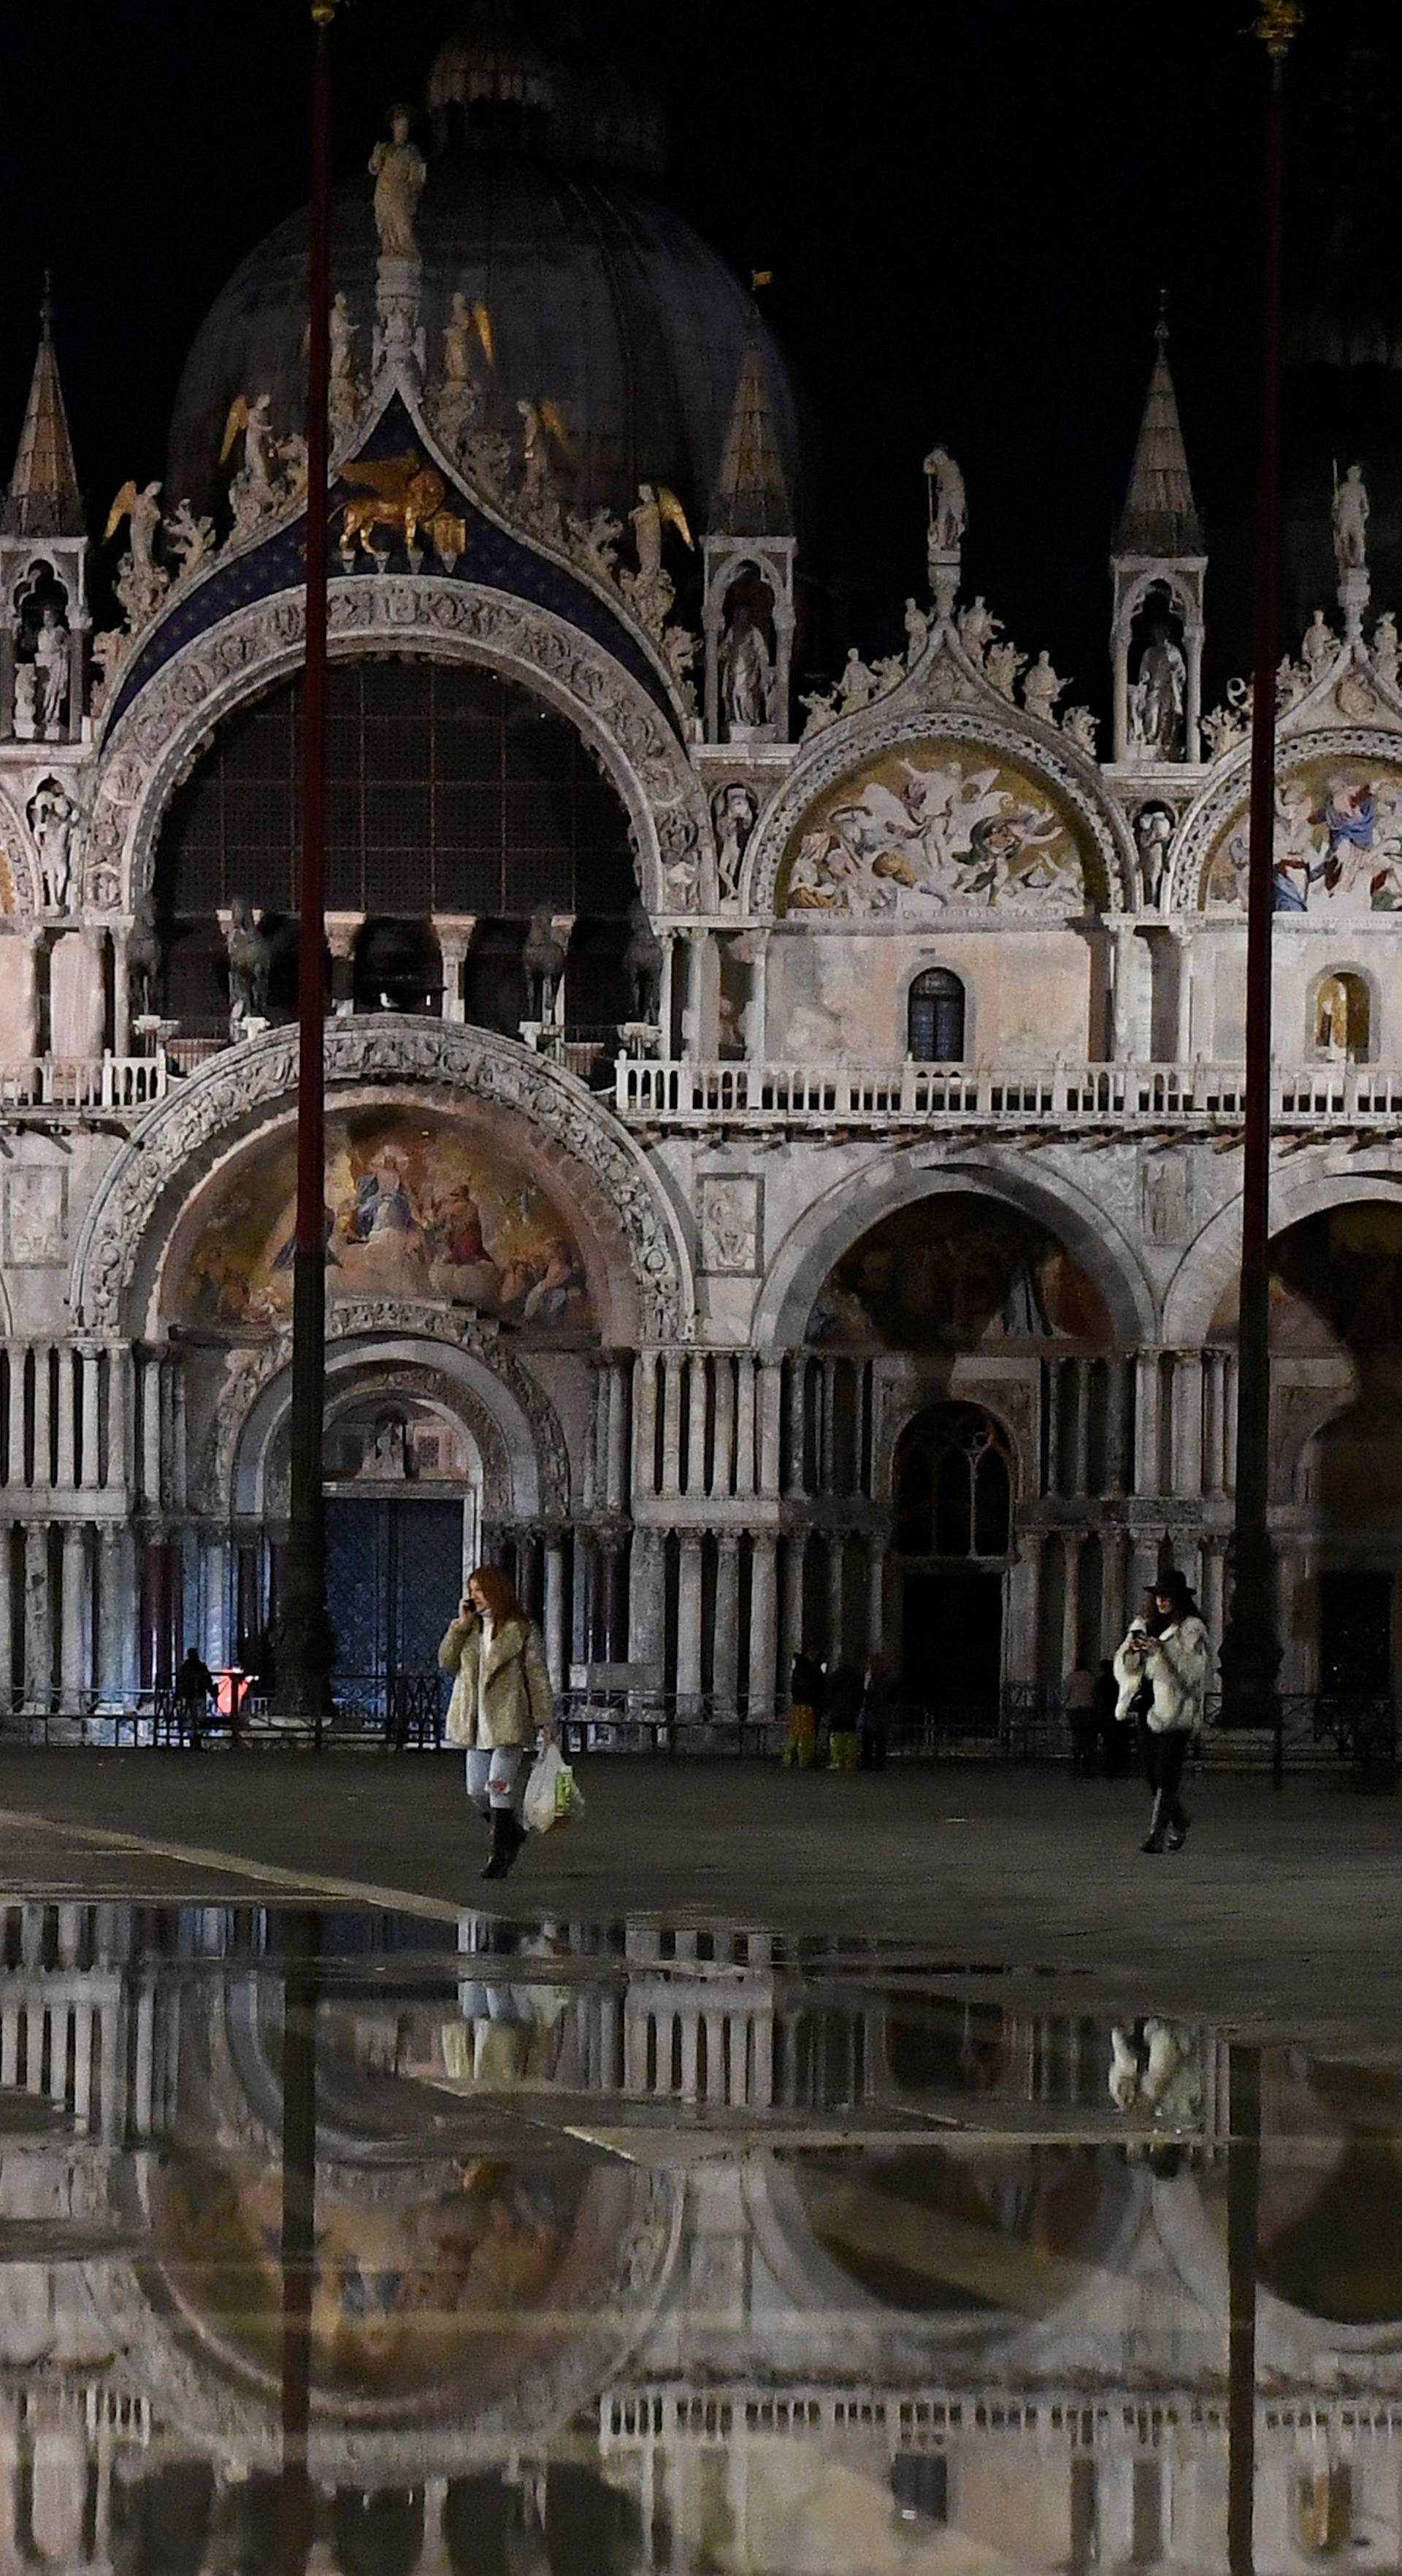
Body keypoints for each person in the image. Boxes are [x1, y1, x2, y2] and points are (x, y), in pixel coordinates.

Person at [440, 1566, 556, 1880]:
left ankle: (499, 1856)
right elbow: (446, 1662)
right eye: (471, 1590)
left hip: (508, 1719)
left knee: (497, 1787)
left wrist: (545, 1718)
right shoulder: (470, 1629)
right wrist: (460, 1627)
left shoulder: (521, 1628)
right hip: (475, 1722)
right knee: (477, 1790)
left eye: (479, 1590)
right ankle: (512, 1832)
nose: (473, 1596)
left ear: (496, 1591)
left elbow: (537, 1675)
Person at [1113, 1569, 1211, 1854]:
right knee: (1152, 1774)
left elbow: (1193, 1670)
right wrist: (1133, 1651)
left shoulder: (1192, 1628)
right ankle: (1180, 1819)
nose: (1162, 1601)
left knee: (1167, 1772)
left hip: (1175, 1707)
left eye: (1167, 1596)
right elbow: (1125, 1666)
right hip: (1146, 1706)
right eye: (1158, 1596)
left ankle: (1156, 1834)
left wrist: (1162, 1653)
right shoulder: (1143, 1624)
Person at [784, 1647, 826, 1769]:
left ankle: (790, 1758)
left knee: (796, 1733)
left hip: (799, 1704)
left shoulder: (800, 1668)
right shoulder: (810, 1670)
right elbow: (814, 1686)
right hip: (808, 1705)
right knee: (806, 1734)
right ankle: (804, 1760)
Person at [174, 1646, 216, 1746]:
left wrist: (178, 1695)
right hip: (199, 1696)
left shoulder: (184, 1668)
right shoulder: (201, 1667)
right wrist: (211, 1690)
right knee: (199, 1718)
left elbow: (179, 1682)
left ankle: (191, 1739)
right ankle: (197, 1740)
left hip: (187, 1696)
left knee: (188, 1718)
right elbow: (208, 1681)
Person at [826, 1662, 863, 1770]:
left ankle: (837, 1760)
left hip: (837, 1710)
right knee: (851, 1736)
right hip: (851, 1711)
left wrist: (828, 1708)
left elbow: (829, 1694)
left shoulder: (834, 1677)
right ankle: (850, 1761)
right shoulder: (856, 1678)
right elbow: (859, 1695)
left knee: (836, 1736)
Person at [1092, 1656, 1124, 1776]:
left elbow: (1096, 1697)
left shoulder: (1102, 1682)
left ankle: (1109, 1763)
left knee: (1108, 1740)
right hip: (1116, 1713)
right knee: (1116, 1740)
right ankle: (1117, 1763)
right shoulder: (1117, 1682)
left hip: (1105, 1714)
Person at [859, 1657, 892, 1770]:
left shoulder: (875, 1679)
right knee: (875, 1740)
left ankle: (870, 1763)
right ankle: (876, 1763)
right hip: (878, 1712)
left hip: (874, 1712)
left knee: (871, 1740)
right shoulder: (885, 1678)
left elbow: (868, 1694)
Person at [1063, 1663, 1097, 1773]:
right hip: (1088, 1707)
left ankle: (1077, 1758)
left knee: (1076, 1734)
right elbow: (1094, 1693)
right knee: (1087, 1734)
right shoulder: (1091, 1677)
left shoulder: (1071, 1677)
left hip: (1074, 1708)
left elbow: (1066, 1693)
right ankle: (1087, 1758)